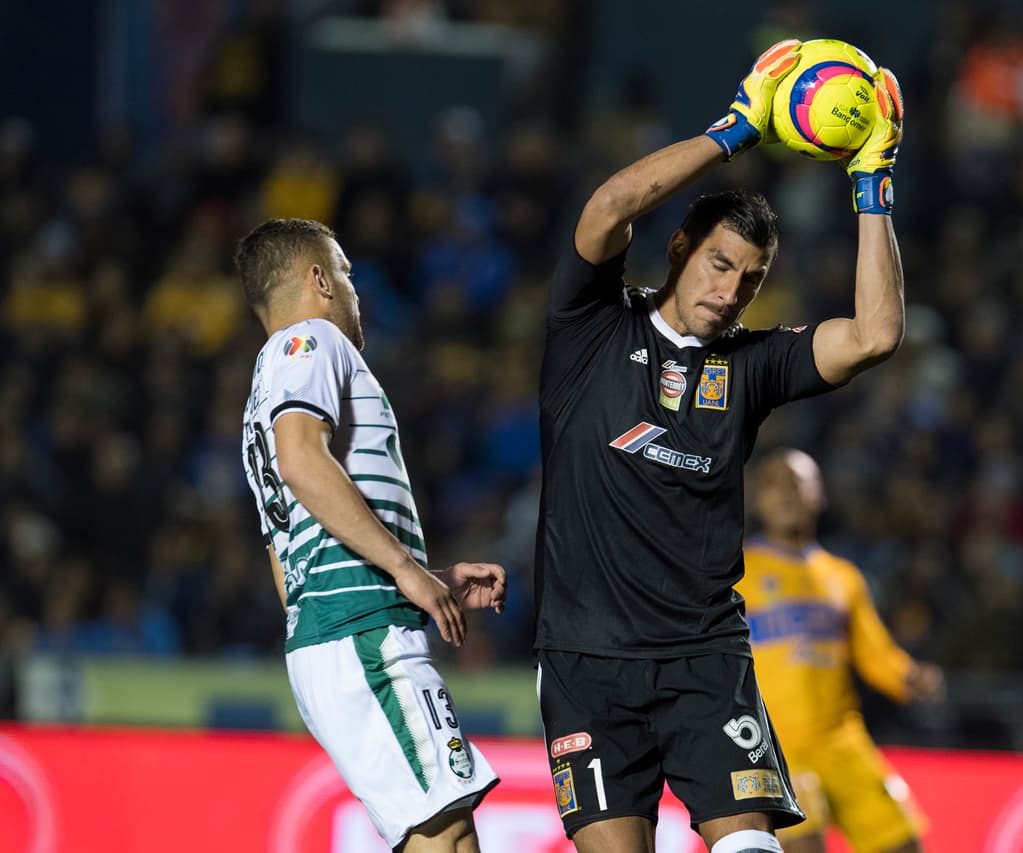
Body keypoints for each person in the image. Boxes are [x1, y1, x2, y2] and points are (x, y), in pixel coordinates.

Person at [534, 39, 907, 853]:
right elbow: (607, 208)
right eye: (718, 263)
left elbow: (875, 335)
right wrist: (737, 129)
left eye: (751, 277)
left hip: (705, 658)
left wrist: (871, 184)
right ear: (679, 252)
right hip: (585, 661)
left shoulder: (752, 364)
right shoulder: (593, 329)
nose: (730, 289)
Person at [236, 218, 505, 853]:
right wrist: (404, 573)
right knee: (443, 837)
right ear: (318, 279)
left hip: (340, 631)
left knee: (448, 831)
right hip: (360, 635)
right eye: (349, 274)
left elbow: (289, 555)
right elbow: (303, 461)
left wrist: (419, 578)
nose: (357, 290)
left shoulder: (259, 396)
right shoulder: (310, 343)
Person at [739, 449, 944, 853]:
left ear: (819, 495)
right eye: (772, 485)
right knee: (805, 846)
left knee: (904, 843)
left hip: (842, 739)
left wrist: (908, 677)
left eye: (796, 484)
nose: (785, 494)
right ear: (757, 500)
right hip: (776, 743)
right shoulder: (737, 570)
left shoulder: (844, 578)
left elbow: (874, 652)